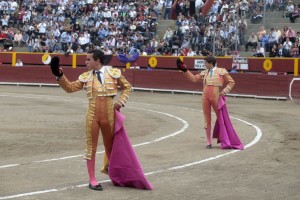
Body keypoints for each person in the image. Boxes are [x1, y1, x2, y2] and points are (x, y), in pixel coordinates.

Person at [49, 50, 132, 191]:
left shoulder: (113, 73)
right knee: (90, 148)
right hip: (92, 116)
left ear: (97, 60)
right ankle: (92, 179)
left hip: (109, 116)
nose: (85, 62)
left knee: (111, 147)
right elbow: (69, 88)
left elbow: (127, 87)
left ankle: (114, 175)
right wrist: (59, 75)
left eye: (88, 60)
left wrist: (121, 102)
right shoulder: (86, 77)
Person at [176, 56, 235, 149]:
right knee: (207, 119)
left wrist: (224, 91)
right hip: (205, 96)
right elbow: (194, 79)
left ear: (210, 63)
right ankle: (208, 142)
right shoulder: (205, 72)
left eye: (205, 63)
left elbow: (231, 82)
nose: (204, 64)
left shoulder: (221, 71)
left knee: (220, 118)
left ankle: (224, 139)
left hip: (216, 96)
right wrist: (185, 70)